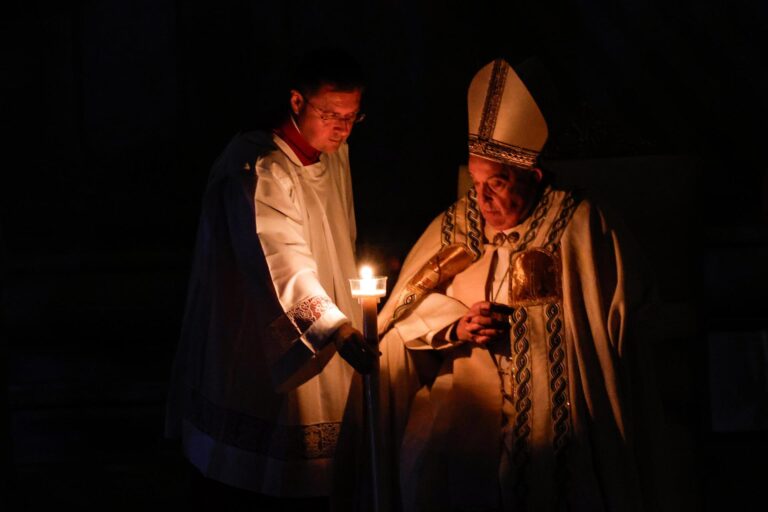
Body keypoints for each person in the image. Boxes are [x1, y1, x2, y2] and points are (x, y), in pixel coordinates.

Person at [333, 58, 684, 512]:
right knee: (426, 459)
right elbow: (400, 319)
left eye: (496, 184)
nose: (482, 200)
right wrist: (455, 326)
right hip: (461, 407)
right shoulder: (456, 223)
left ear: (533, 177)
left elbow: (632, 324)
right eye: (476, 183)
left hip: (558, 413)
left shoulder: (580, 226)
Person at [164, 48, 376, 511]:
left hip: (328, 315)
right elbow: (279, 259)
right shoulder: (260, 167)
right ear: (297, 102)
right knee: (269, 465)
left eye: (352, 117)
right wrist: (334, 327)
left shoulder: (332, 154)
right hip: (262, 335)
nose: (342, 128)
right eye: (331, 114)